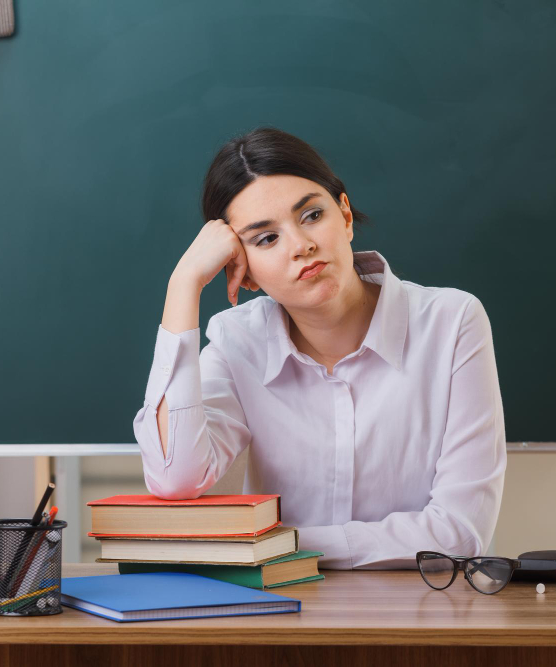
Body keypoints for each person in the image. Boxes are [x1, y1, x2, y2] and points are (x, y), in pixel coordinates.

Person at [132, 128, 506, 569]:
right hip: (278, 615)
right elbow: (175, 478)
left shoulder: (452, 322)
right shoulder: (238, 343)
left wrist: (270, 545)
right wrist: (184, 285)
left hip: (420, 615)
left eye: (311, 215)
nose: (301, 245)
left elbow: (459, 534)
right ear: (245, 273)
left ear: (345, 215)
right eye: (265, 239)